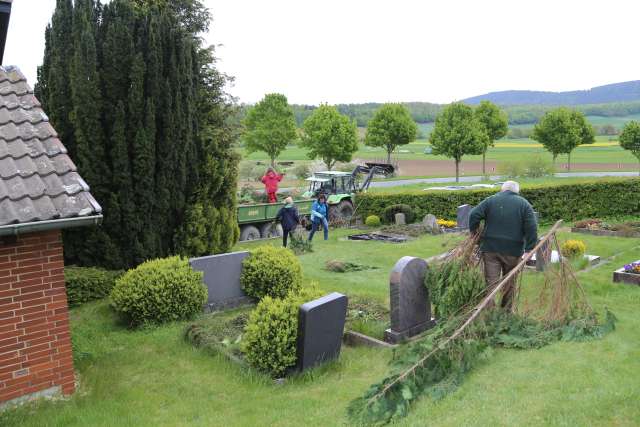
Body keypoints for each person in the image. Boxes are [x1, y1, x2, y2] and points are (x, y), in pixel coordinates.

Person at [468, 180, 537, 311]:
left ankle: (489, 312)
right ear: (517, 191)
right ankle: (505, 312)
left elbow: (473, 214)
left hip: (490, 250)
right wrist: (529, 249)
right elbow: (532, 228)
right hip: (513, 251)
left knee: (491, 283)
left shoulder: (491, 200)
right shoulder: (524, 204)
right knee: (509, 284)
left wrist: (475, 235)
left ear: (502, 189)